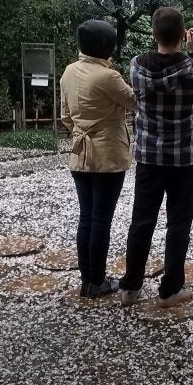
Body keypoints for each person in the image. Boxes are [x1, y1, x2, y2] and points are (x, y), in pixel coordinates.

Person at [119, 6, 193, 307]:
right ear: (184, 35)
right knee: (178, 223)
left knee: (142, 221)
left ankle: (130, 287)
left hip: (149, 157)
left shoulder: (136, 67)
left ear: (153, 33)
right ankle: (170, 289)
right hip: (184, 159)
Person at [60, 19, 136, 299]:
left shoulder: (68, 72)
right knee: (101, 220)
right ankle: (97, 281)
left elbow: (65, 116)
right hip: (108, 156)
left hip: (80, 154)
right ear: (107, 47)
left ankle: (87, 278)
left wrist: (83, 131)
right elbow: (134, 101)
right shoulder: (108, 77)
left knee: (87, 218)